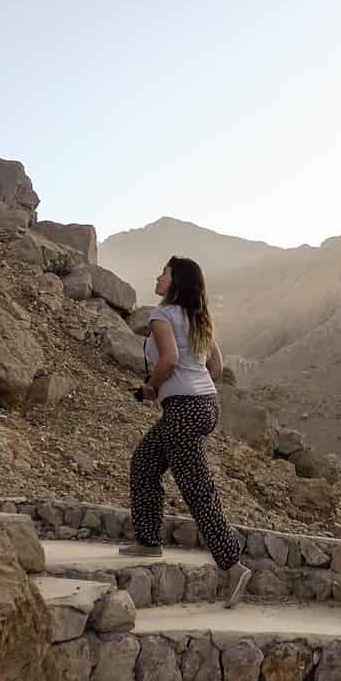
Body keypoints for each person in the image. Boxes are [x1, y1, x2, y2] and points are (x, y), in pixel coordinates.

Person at [118, 255, 253, 607]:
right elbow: (217, 367)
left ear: (175, 282)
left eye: (163, 273)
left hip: (183, 408)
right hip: (205, 404)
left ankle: (233, 565)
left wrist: (150, 388)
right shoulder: (198, 318)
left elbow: (169, 361)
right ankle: (147, 541)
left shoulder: (162, 315)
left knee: (196, 488)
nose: (158, 277)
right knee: (145, 462)